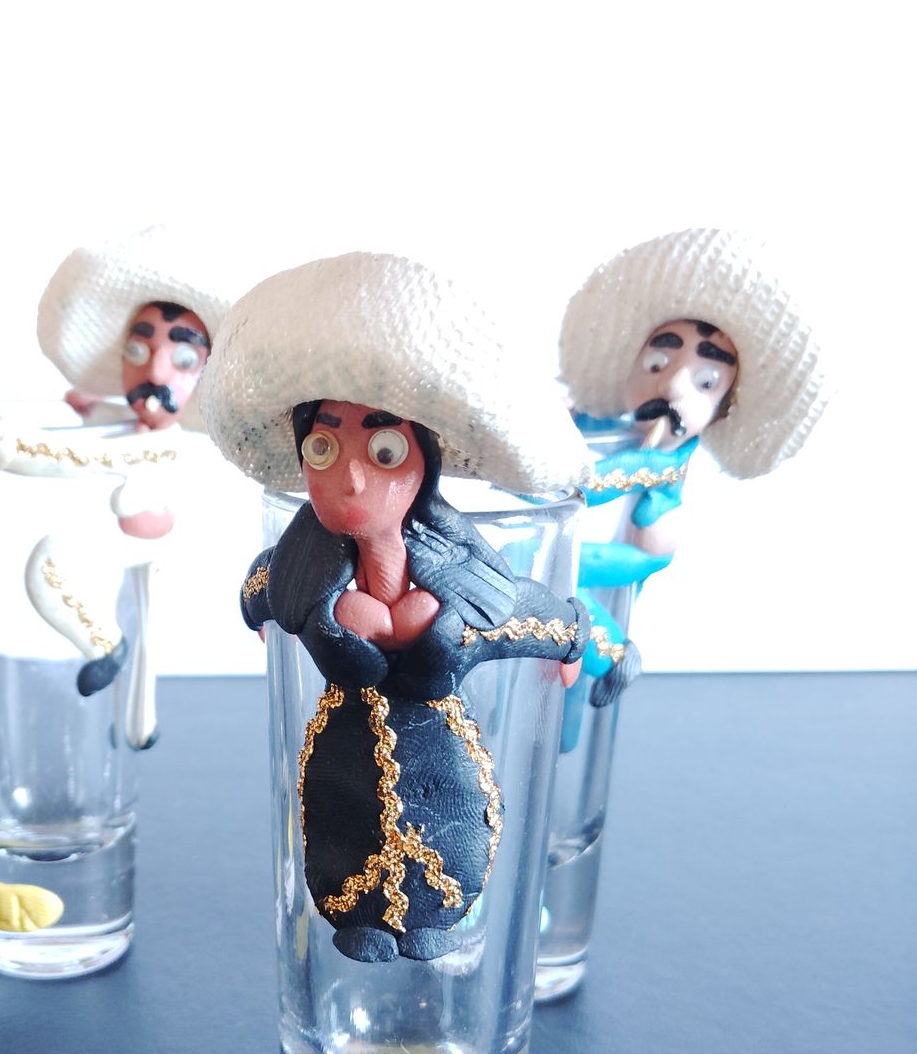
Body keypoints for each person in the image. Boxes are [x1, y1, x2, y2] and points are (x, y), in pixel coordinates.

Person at [203, 252, 590, 963]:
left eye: (382, 448)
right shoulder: (303, 574)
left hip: (438, 758)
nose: (350, 476)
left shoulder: (461, 579)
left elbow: (520, 610)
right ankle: (354, 914)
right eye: (324, 446)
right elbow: (260, 588)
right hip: (342, 758)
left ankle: (436, 914)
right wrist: (267, 614)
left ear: (424, 460)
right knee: (340, 832)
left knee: (446, 832)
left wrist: (569, 640)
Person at [0, 225, 242, 746]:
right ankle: (138, 727)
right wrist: (91, 407)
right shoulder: (134, 425)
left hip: (150, 539)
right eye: (138, 350)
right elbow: (108, 426)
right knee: (145, 625)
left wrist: (2, 440)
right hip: (130, 537)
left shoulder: (163, 443)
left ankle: (104, 646)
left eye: (183, 360)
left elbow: (81, 456)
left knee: (51, 563)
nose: (155, 369)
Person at [560, 228, 830, 710]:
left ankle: (616, 657)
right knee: (560, 584)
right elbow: (574, 432)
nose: (672, 386)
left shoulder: (656, 461)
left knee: (563, 575)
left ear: (724, 405)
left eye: (705, 380)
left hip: (640, 551)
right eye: (658, 362)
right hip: (610, 538)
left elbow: (588, 486)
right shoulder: (609, 429)